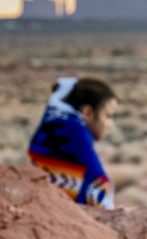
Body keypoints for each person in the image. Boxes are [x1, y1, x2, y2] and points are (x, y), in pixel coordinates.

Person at [28, 77, 117, 209]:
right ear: (87, 113)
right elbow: (99, 190)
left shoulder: (53, 123)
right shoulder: (74, 132)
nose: (111, 125)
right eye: (108, 116)